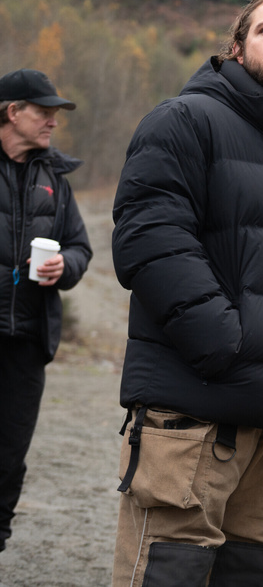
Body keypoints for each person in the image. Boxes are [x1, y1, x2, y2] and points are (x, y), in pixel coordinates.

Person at [110, 0, 263, 586]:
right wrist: (224, 342)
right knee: (167, 574)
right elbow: (150, 239)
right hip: (196, 415)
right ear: (236, 48)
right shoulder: (185, 121)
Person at [0, 69, 92, 555]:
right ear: (13, 112)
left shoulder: (54, 178)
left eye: (56, 114)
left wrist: (66, 265)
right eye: (43, 112)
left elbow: (81, 247)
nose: (53, 122)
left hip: (29, 340)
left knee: (9, 459)